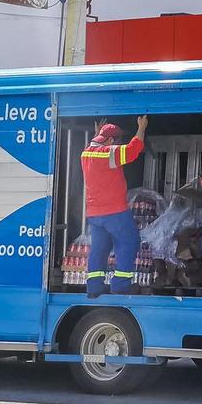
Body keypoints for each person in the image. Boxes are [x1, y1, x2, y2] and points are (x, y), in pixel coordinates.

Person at [80, 116, 148, 297]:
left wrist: (98, 133)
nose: (117, 144)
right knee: (129, 242)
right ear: (110, 141)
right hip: (115, 211)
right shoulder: (108, 153)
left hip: (95, 214)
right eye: (116, 141)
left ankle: (94, 287)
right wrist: (141, 128)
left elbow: (95, 146)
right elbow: (133, 150)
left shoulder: (86, 153)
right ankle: (120, 285)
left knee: (99, 248)